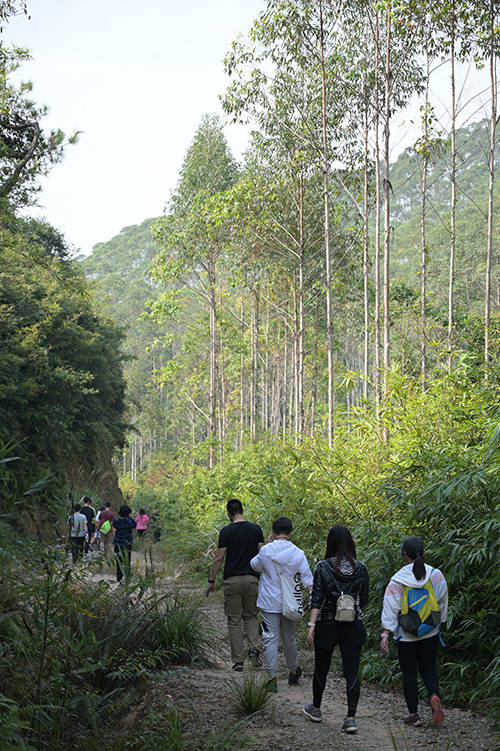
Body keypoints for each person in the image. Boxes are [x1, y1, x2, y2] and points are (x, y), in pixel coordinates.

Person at [304, 525, 369, 735]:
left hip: (327, 625)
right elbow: (364, 599)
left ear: (330, 543)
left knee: (321, 666)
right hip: (353, 625)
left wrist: (311, 626)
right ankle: (351, 718)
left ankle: (316, 709)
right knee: (352, 670)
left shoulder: (322, 567)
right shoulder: (361, 568)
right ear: (350, 542)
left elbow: (316, 599)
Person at [380, 536, 448, 727]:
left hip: (406, 635)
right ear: (423, 553)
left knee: (409, 673)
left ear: (404, 555)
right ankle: (434, 695)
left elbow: (391, 609)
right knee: (428, 667)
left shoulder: (397, 580)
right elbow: (442, 601)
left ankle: (414, 715)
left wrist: (385, 634)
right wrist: (438, 623)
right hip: (430, 631)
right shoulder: (436, 575)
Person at [250, 516, 313, 691]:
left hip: (269, 601)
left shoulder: (266, 551)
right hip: (290, 602)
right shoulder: (298, 553)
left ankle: (272, 678)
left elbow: (254, 566)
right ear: (290, 532)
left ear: (274, 532)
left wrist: (265, 545)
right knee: (289, 638)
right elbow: (308, 580)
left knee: (270, 639)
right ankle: (293, 670)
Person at [205, 499, 264, 671]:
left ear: (228, 514)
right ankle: (254, 650)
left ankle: (238, 661)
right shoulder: (255, 529)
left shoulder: (226, 531)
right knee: (252, 616)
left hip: (232, 580)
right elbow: (262, 554)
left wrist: (211, 581)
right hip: (252, 579)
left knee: (234, 620)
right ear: (242, 510)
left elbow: (218, 558)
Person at [112, 504, 136, 583]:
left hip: (118, 543)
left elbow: (114, 526)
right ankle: (127, 577)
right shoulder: (129, 521)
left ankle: (119, 578)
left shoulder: (116, 521)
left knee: (118, 562)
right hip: (127, 543)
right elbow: (134, 525)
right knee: (127, 561)